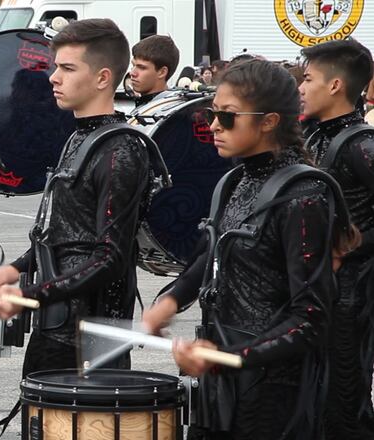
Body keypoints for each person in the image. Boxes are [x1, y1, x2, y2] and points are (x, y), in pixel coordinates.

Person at [143, 59, 356, 439]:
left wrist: (230, 358)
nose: (212, 127)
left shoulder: (303, 196)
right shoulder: (233, 180)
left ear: (269, 121)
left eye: (227, 117)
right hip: (221, 379)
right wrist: (172, 299)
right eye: (212, 114)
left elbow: (310, 319)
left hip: (272, 392)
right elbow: (212, 257)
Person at [0, 18, 147, 377]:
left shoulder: (120, 149)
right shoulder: (78, 139)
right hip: (55, 328)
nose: (53, 77)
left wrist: (33, 294)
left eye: (67, 68)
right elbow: (60, 233)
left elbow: (110, 258)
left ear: (103, 78)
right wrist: (13, 270)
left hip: (90, 341)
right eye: (56, 66)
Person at [299, 38, 374, 440]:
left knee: (343, 405)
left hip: (350, 300)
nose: (300, 87)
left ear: (334, 86)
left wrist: (351, 246)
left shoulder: (362, 146)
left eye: (307, 79)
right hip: (315, 296)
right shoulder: (313, 137)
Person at [129, 34, 179, 107]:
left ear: (162, 72)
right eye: (133, 65)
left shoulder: (165, 112)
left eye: (142, 67)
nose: (132, 73)